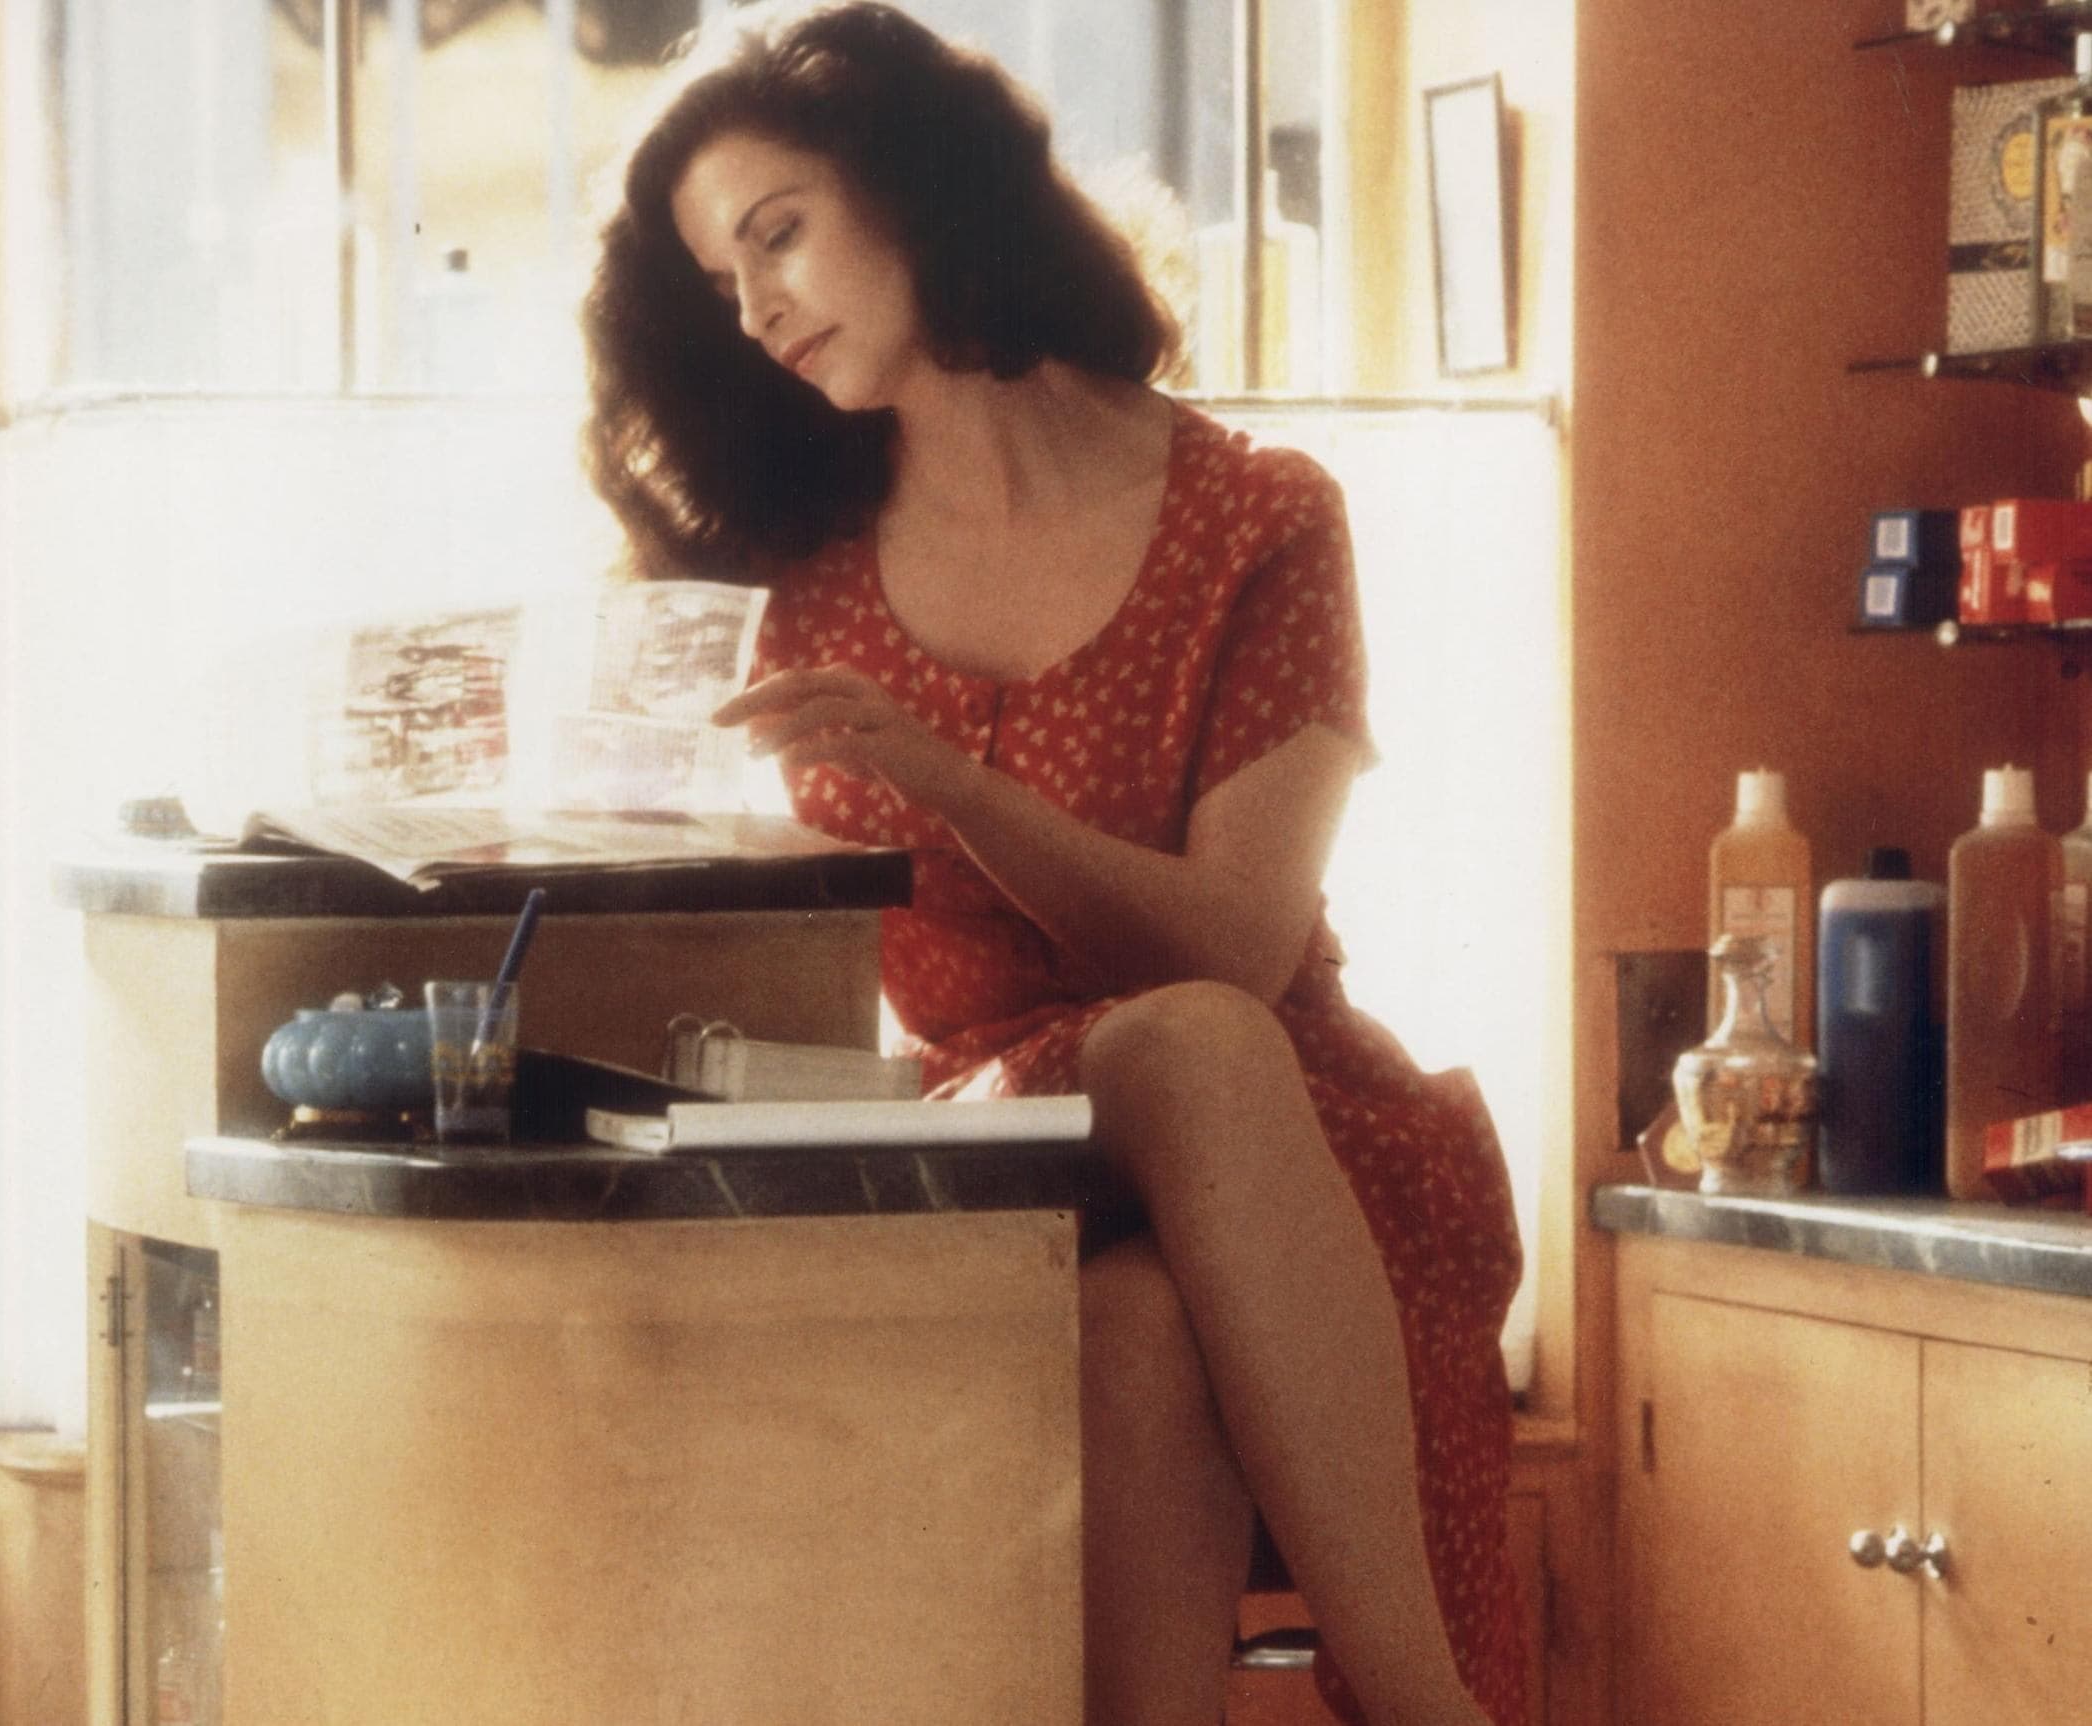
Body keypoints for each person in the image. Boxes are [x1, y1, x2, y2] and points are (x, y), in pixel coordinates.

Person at [579, 7, 1527, 1726]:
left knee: (1158, 1279)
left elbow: (1235, 950)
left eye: (778, 233)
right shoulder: (786, 578)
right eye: (723, 281)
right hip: (986, 1144)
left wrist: (941, 780)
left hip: (1294, 1145)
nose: (759, 308)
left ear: (915, 186)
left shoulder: (1257, 517)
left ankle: (1404, 1694)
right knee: (1185, 1060)